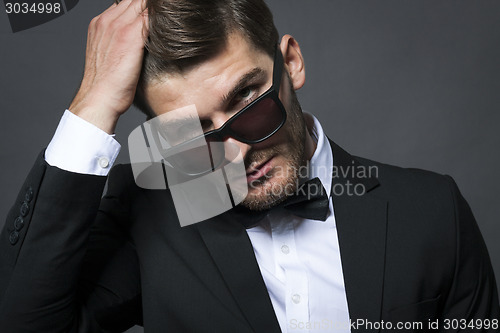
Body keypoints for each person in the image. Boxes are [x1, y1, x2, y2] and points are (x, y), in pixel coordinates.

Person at [0, 0, 498, 332]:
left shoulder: (432, 210)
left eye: (248, 101)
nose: (237, 154)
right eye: (195, 135)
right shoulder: (147, 217)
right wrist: (94, 103)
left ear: (292, 63)